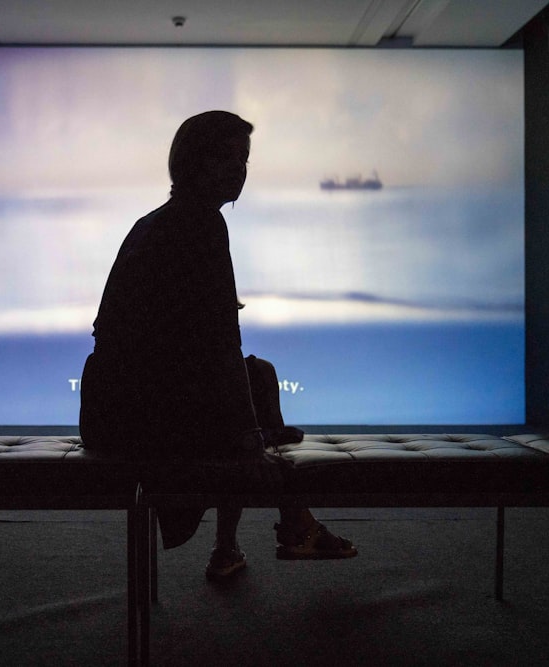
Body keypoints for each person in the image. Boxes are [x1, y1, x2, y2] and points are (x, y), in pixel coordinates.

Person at [79, 110, 356, 579]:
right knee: (253, 389)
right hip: (139, 420)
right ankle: (279, 527)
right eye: (224, 156)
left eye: (244, 159)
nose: (238, 169)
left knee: (254, 381)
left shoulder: (160, 220)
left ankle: (253, 537)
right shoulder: (200, 224)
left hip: (112, 412)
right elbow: (219, 343)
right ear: (191, 161)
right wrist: (250, 436)